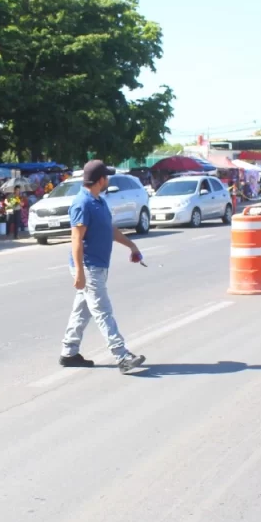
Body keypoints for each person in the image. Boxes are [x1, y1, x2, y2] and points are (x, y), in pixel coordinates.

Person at [60, 160, 146, 374]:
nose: (108, 180)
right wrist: (79, 272)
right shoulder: (82, 203)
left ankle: (69, 352)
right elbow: (76, 239)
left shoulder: (98, 201)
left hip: (97, 265)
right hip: (88, 267)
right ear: (100, 180)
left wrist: (132, 245)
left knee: (83, 311)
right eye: (106, 176)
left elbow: (110, 230)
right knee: (103, 311)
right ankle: (122, 355)